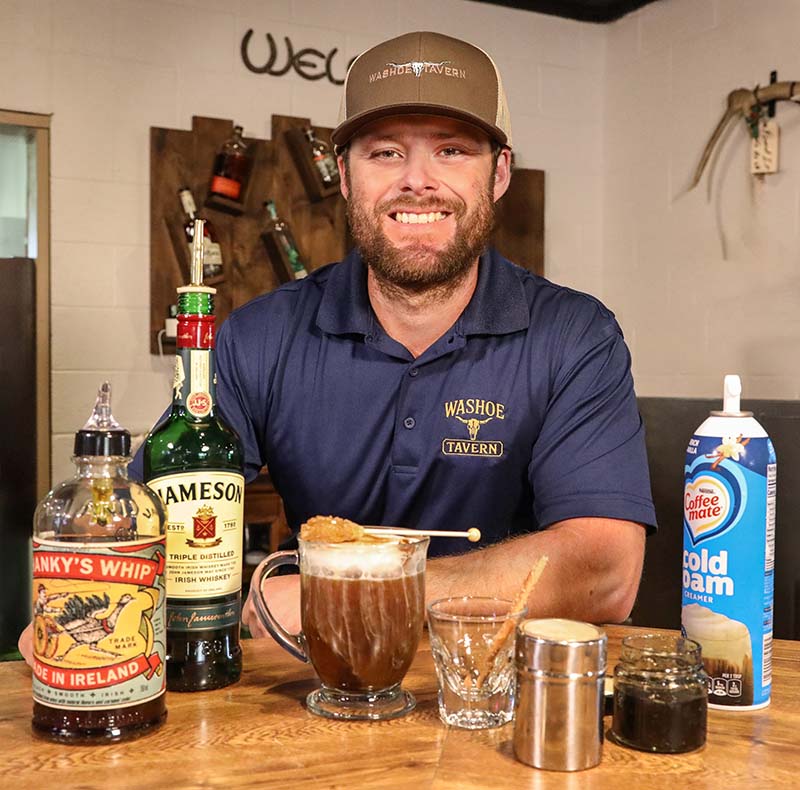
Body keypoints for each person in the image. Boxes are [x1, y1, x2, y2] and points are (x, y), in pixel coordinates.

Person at [19, 31, 655, 662]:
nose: (417, 181)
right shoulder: (261, 337)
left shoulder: (575, 336)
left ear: (499, 174)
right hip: (313, 691)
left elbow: (608, 572)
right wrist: (85, 594)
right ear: (345, 177)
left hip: (501, 702)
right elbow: (151, 519)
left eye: (452, 150)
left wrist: (352, 596)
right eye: (384, 153)